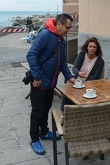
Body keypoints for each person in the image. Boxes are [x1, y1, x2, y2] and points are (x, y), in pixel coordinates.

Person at [26, 13, 76, 156]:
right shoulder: (45, 35)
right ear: (59, 24)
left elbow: (62, 62)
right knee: (37, 112)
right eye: (67, 27)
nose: (69, 30)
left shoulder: (61, 40)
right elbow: (31, 55)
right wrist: (37, 76)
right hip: (40, 83)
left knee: (46, 108)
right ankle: (34, 139)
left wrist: (70, 77)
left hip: (51, 83)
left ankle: (44, 132)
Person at [60, 37, 105, 115]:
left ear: (97, 49)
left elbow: (96, 78)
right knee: (66, 94)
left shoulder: (100, 61)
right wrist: (78, 73)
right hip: (76, 82)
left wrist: (84, 84)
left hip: (89, 86)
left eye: (94, 47)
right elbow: (74, 68)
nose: (92, 49)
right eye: (90, 46)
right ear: (87, 47)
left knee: (80, 97)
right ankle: (63, 115)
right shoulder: (81, 55)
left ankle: (77, 116)